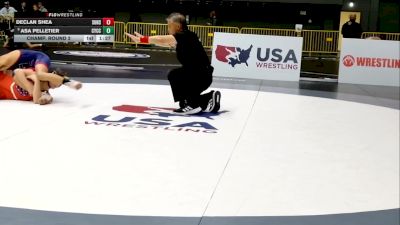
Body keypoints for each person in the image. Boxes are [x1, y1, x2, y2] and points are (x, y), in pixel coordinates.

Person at [125, 12, 221, 115]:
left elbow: (162, 39)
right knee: (177, 82)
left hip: (200, 76)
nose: (168, 29)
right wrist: (144, 40)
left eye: (169, 26)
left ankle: (193, 104)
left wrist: (142, 39)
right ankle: (208, 98)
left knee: (175, 75)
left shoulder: (184, 35)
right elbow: (165, 43)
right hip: (201, 75)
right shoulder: (185, 38)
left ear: (178, 26)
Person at [0, 49, 81, 89]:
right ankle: (61, 81)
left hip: (37, 57)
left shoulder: (4, 61)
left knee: (40, 75)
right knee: (39, 79)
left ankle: (67, 81)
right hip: (25, 63)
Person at [1, 68, 82, 104]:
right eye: (59, 81)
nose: (59, 85)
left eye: (61, 84)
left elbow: (37, 101)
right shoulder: (35, 74)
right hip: (3, 81)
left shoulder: (46, 94)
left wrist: (35, 82)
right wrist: (30, 88)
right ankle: (67, 81)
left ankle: (67, 81)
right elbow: (17, 72)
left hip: (3, 93)